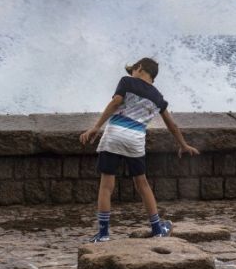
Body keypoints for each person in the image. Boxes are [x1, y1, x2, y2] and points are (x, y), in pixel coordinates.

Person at [79, 57, 199, 242]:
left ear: (139, 67)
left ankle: (103, 234)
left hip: (114, 135)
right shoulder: (158, 97)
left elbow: (115, 103)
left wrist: (96, 127)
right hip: (135, 141)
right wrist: (183, 145)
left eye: (133, 70)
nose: (132, 74)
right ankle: (157, 229)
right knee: (142, 184)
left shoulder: (127, 81)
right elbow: (171, 125)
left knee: (106, 186)